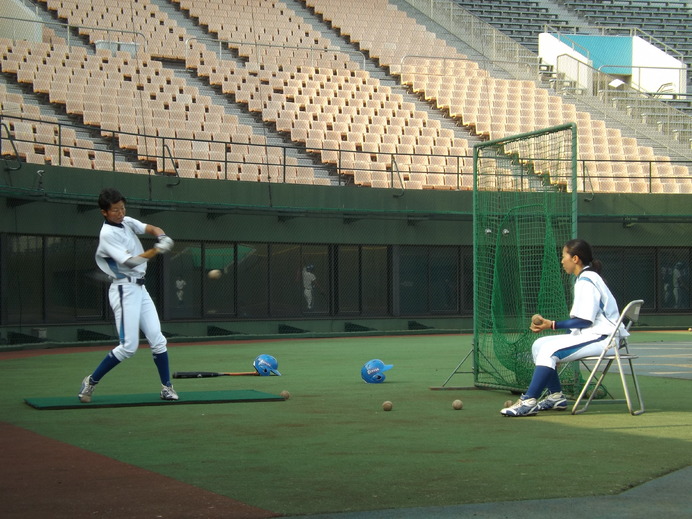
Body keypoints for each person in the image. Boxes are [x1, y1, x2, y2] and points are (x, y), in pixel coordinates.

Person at [500, 239, 628, 417]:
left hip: (605, 338)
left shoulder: (587, 280)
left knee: (549, 350)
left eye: (563, 256)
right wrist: (555, 331)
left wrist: (551, 324)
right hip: (595, 335)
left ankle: (528, 400)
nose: (562, 261)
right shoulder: (586, 278)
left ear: (575, 259)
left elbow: (584, 321)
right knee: (539, 345)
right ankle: (555, 396)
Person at [78, 188, 178, 403]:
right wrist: (158, 250)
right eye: (115, 210)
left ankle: (166, 387)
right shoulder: (107, 234)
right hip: (124, 289)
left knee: (158, 340)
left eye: (122, 208)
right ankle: (91, 381)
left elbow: (150, 227)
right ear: (104, 212)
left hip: (140, 288)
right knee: (129, 346)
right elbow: (130, 262)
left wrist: (161, 236)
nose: (120, 213)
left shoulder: (125, 221)